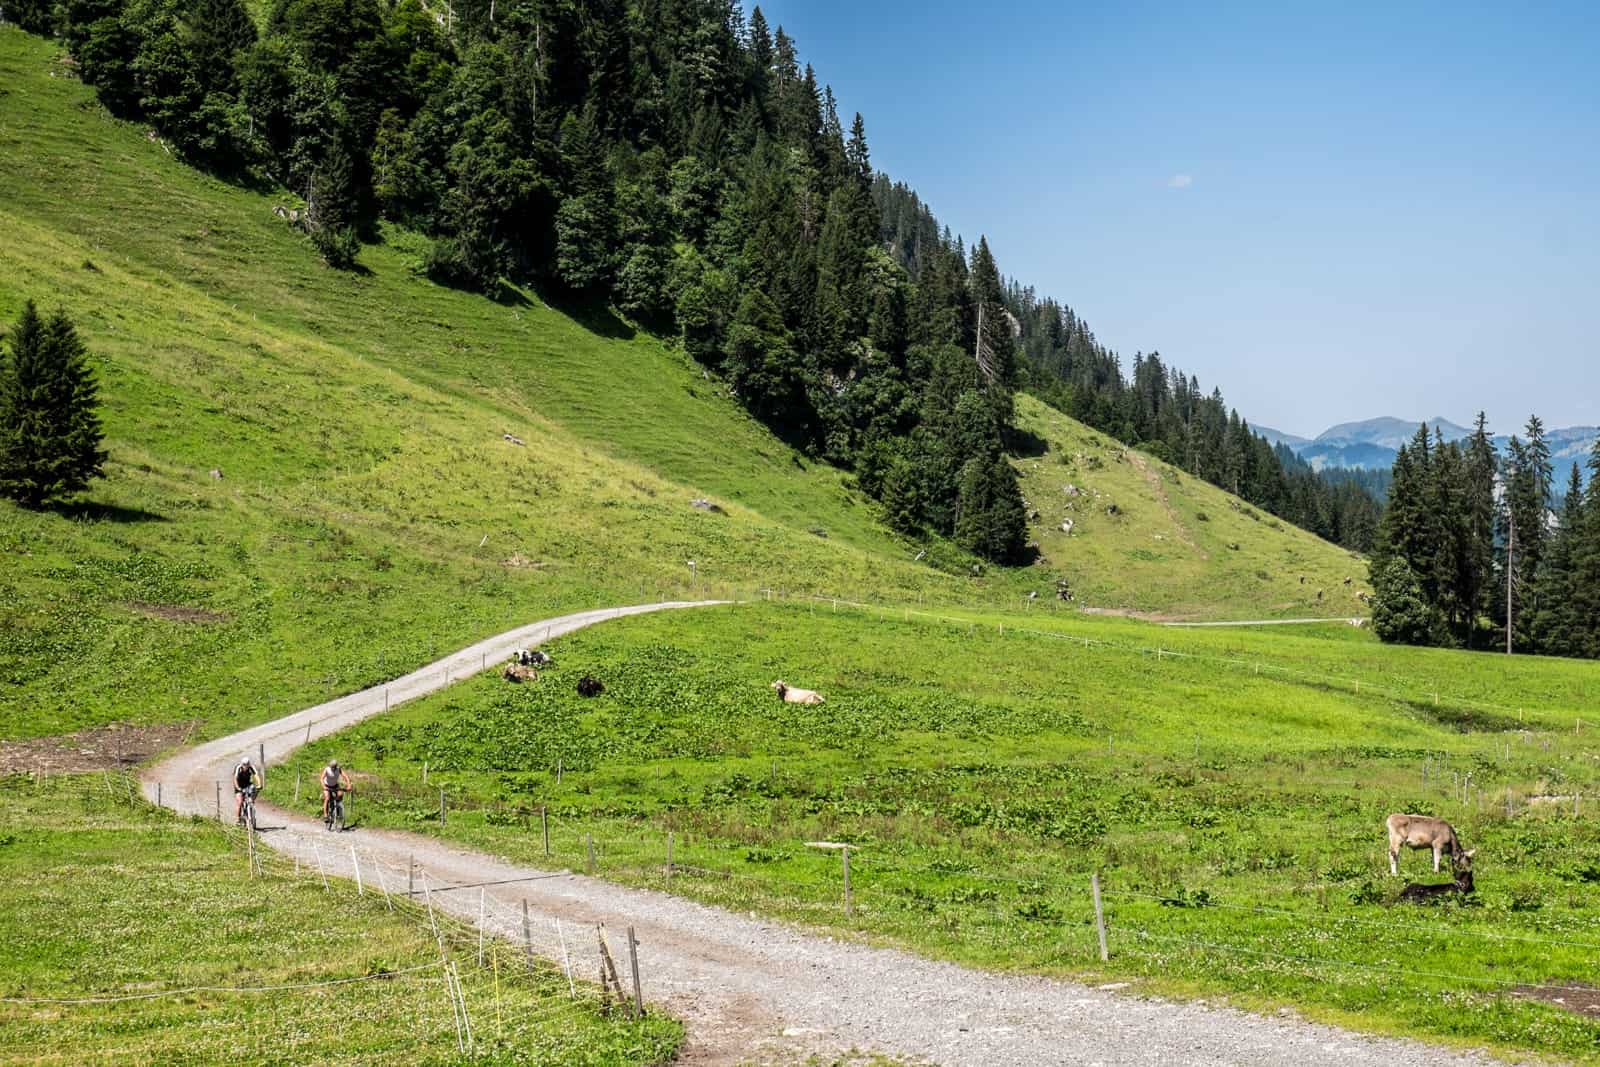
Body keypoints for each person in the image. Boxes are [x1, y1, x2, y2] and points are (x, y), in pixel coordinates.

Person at [321, 759, 351, 824]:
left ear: (336, 766)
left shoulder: (338, 769)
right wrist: (323, 786)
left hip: (335, 785)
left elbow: (346, 776)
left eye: (334, 766)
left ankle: (337, 807)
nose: (333, 768)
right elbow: (322, 778)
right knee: (327, 798)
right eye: (332, 766)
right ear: (330, 766)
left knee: (340, 794)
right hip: (327, 785)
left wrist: (349, 785)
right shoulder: (327, 769)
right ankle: (325, 815)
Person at [233, 756, 261, 824]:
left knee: (254, 789)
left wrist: (259, 784)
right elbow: (235, 778)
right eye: (244, 764)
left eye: (247, 764)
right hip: (239, 785)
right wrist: (238, 788)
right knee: (240, 802)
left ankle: (251, 802)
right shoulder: (238, 768)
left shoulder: (251, 767)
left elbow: (256, 776)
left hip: (247, 784)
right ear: (242, 764)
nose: (246, 766)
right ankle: (238, 820)